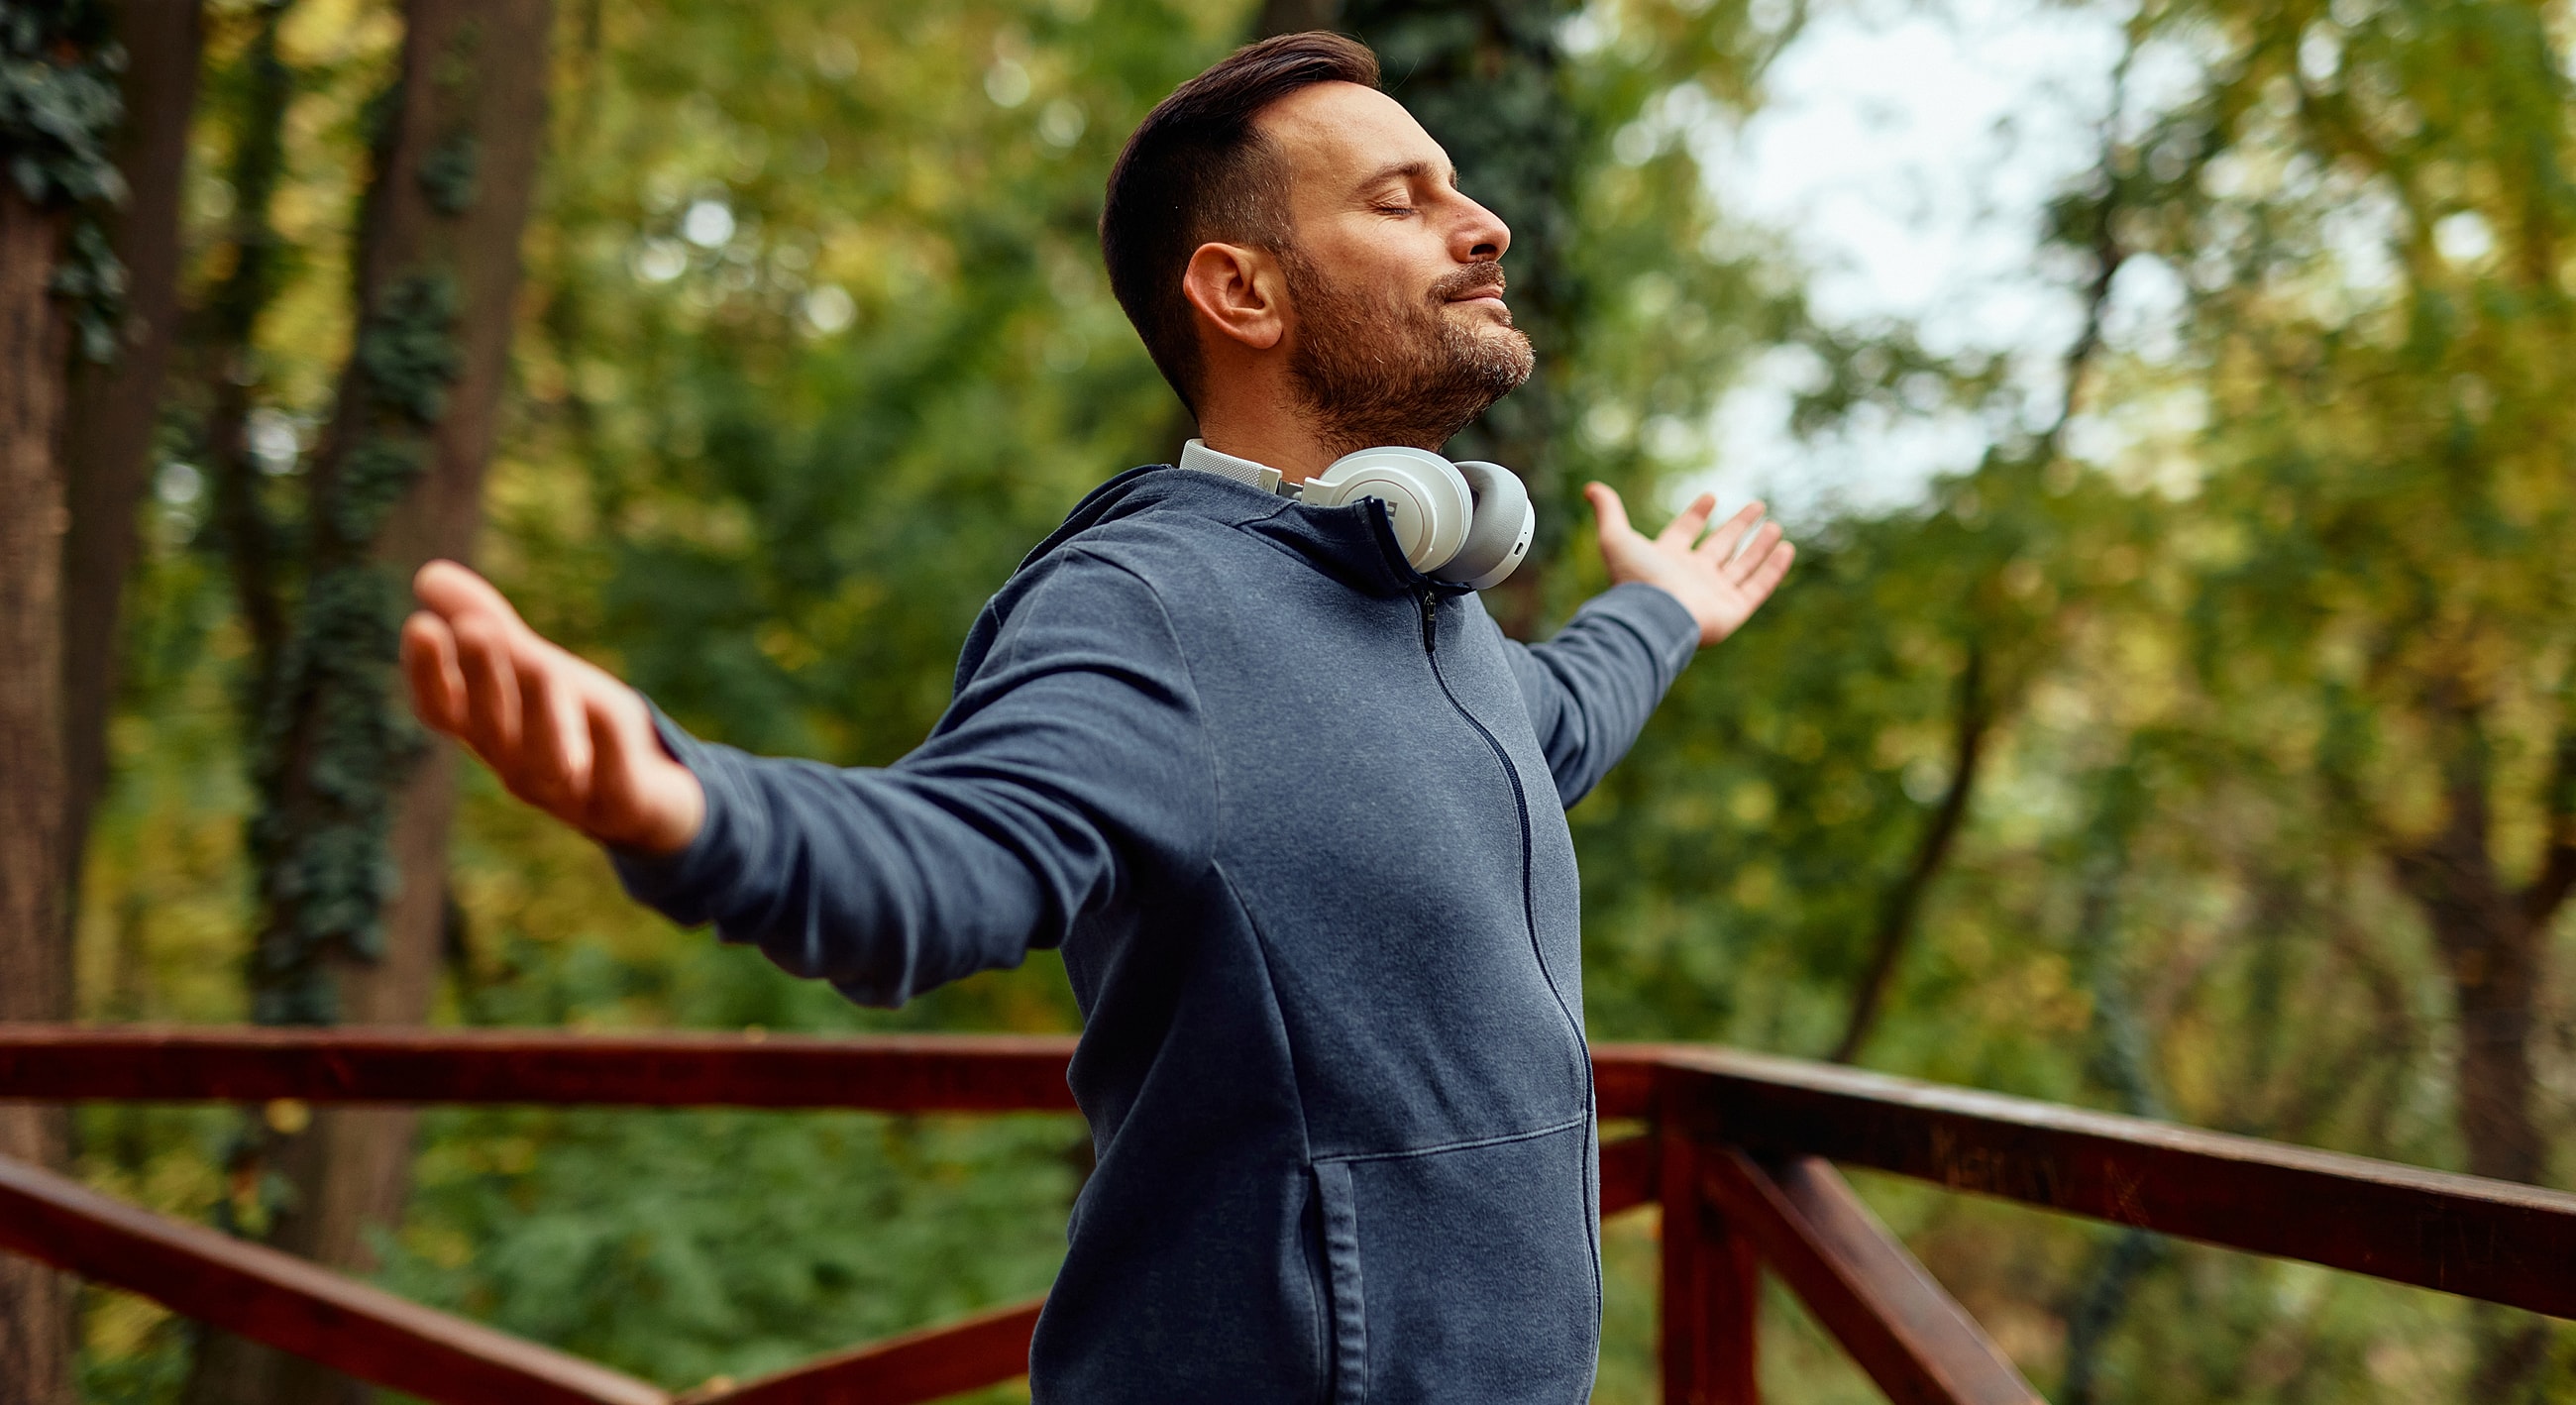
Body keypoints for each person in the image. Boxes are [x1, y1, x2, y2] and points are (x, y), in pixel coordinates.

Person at [400, 31, 1792, 1404]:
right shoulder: (1146, 608)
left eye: (1456, 186)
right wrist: (684, 804)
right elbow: (951, 854)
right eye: (1398, 199)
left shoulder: (1436, 616)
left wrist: (1662, 613)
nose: (1481, 225)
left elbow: (1557, 718)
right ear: (1241, 291)